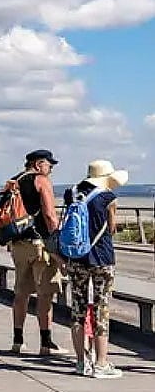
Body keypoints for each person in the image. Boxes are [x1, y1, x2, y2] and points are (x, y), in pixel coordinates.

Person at [64, 160, 128, 379]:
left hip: (76, 257)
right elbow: (110, 227)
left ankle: (81, 362)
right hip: (101, 258)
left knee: (78, 309)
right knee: (101, 309)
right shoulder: (108, 197)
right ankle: (101, 363)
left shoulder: (71, 193)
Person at [9, 149, 65, 357]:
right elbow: (50, 215)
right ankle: (46, 342)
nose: (50, 170)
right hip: (40, 243)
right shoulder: (41, 180)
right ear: (39, 164)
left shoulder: (14, 181)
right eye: (50, 165)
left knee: (21, 293)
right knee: (45, 294)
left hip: (18, 244)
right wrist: (58, 241)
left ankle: (18, 340)